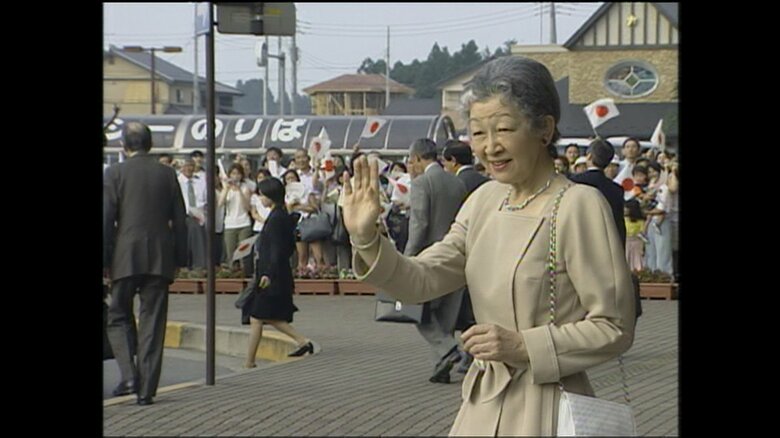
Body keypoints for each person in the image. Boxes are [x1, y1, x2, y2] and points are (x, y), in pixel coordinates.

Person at [341, 56, 635, 435]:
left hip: (546, 408)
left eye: (504, 129)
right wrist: (366, 238)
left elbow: (613, 326)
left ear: (545, 129)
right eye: (478, 133)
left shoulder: (577, 205)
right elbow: (421, 279)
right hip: (482, 401)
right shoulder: (484, 200)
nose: (490, 147)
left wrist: (523, 346)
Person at [104, 122, 187, 406]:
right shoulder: (167, 173)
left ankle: (128, 375)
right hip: (160, 257)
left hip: (124, 255)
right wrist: (180, 258)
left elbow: (106, 219)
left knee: (117, 315)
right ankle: (146, 389)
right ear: (150, 144)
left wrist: (105, 259)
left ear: (124, 145)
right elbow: (180, 220)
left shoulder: (115, 173)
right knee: (153, 320)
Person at [404, 138, 468, 384]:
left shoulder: (422, 183)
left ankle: (448, 350)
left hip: (429, 257)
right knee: (446, 317)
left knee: (418, 311)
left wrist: (408, 257)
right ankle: (441, 366)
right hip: (457, 255)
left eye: (411, 161)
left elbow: (419, 224)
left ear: (418, 158)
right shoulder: (457, 182)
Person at [242, 177, 315, 368]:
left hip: (272, 275)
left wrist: (268, 273)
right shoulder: (280, 215)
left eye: (262, 195)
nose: (260, 198)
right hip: (276, 272)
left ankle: (250, 362)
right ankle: (302, 342)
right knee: (267, 316)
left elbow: (276, 250)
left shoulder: (276, 219)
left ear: (270, 196)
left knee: (258, 316)